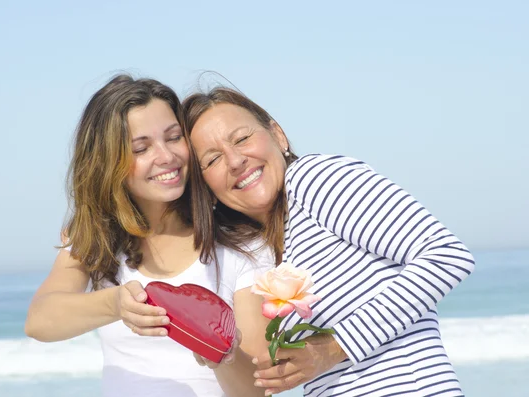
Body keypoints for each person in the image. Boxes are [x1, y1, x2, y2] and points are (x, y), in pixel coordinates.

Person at [182, 87, 475, 397]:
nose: (235, 160)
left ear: (277, 135)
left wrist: (337, 347)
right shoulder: (266, 250)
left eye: (241, 139)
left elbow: (445, 255)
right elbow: (263, 379)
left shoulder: (312, 179)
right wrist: (218, 353)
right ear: (206, 188)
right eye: (212, 159)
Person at [24, 75, 272, 397]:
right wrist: (117, 303)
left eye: (173, 137)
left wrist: (219, 355)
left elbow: (257, 389)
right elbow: (40, 321)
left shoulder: (241, 245)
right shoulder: (98, 238)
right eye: (141, 148)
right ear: (108, 163)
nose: (166, 156)